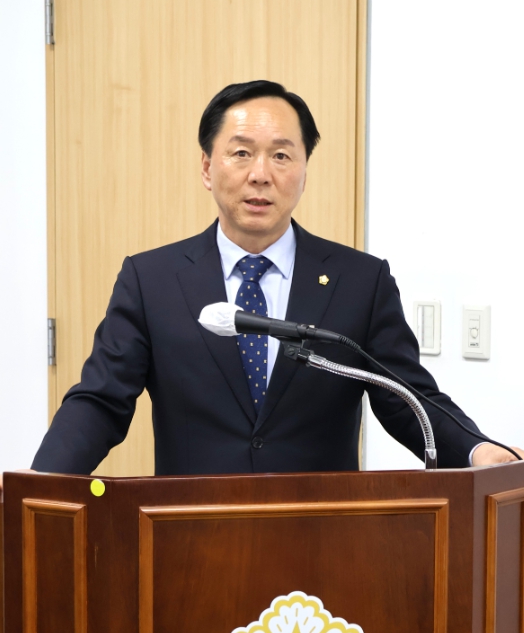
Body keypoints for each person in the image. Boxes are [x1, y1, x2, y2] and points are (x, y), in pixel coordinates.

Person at [27, 80, 524, 476]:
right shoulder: (151, 280)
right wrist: (41, 484)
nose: (260, 174)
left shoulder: (360, 281)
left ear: (304, 171)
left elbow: (406, 399)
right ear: (207, 168)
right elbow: (101, 401)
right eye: (241, 153)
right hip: (188, 535)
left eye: (282, 155)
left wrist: (477, 449)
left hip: (322, 536)